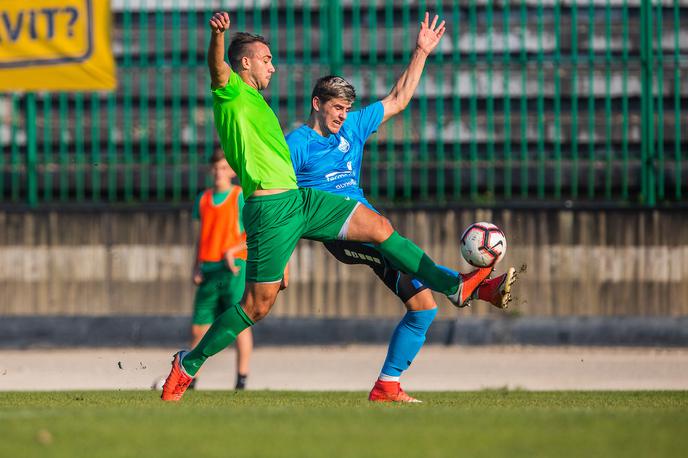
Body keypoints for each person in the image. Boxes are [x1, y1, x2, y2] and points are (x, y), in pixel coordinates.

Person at [161, 12, 509, 402]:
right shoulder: (233, 93)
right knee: (257, 306)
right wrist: (218, 37)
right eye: (266, 59)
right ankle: (187, 365)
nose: (273, 66)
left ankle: (456, 289)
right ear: (245, 62)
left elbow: (397, 99)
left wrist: (421, 51)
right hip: (271, 208)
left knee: (381, 229)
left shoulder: (263, 105)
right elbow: (217, 70)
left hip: (300, 202)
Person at [286, 13, 516, 402]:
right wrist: (281, 259)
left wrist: (421, 51)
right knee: (382, 228)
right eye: (337, 107)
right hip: (338, 233)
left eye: (347, 108)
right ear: (317, 104)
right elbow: (283, 203)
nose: (343, 114)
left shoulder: (354, 127)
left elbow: (398, 98)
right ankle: (462, 288)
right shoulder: (297, 143)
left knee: (423, 309)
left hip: (369, 224)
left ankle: (387, 385)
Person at [189, 150, 252, 390]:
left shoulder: (239, 196)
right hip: (209, 268)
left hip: (233, 268)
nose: (219, 172)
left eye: (224, 167)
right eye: (216, 167)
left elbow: (254, 233)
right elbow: (201, 237)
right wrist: (195, 266)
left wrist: (232, 250)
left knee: (239, 323)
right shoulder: (203, 199)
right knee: (199, 325)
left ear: (233, 172)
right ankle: (191, 376)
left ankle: (241, 379)